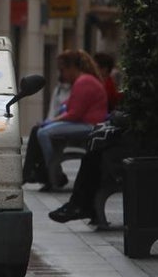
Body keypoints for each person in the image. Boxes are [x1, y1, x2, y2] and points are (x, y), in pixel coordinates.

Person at [32, 50, 108, 188]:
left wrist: (50, 122)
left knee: (43, 132)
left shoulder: (83, 82)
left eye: (63, 70)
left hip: (89, 125)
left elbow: (75, 113)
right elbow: (70, 105)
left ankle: (53, 171)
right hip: (86, 123)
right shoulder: (84, 80)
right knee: (43, 130)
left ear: (72, 67)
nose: (61, 75)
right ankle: (51, 170)